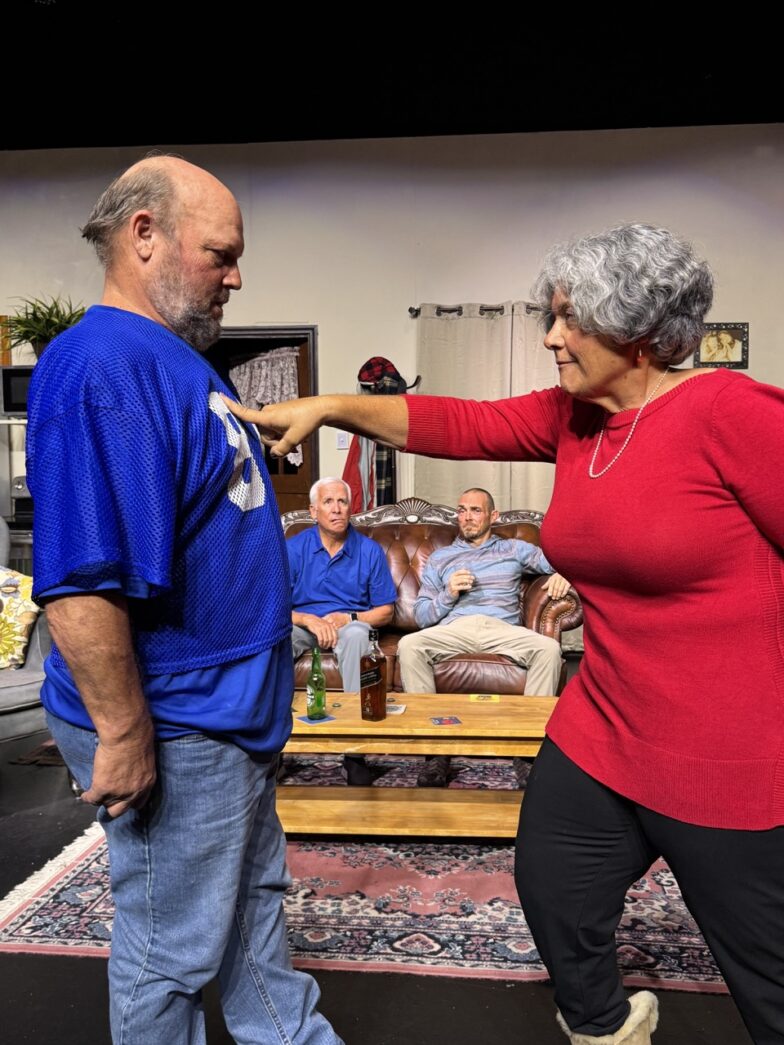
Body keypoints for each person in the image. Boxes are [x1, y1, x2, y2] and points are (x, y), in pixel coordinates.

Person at [225, 222, 784, 1045]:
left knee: (767, 973)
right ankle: (607, 1027)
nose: (552, 336)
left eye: (569, 318)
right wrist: (331, 406)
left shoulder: (730, 412)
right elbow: (455, 422)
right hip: (605, 724)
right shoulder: (577, 418)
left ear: (634, 330)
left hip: (724, 747)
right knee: (555, 886)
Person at [26, 157, 342, 1045]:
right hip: (177, 718)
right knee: (173, 949)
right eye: (221, 254)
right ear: (143, 235)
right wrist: (124, 734)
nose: (236, 275)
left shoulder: (176, 361)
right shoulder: (99, 366)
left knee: (249, 922)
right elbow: (80, 583)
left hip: (226, 716)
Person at [398, 485, 569, 787]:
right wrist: (449, 593)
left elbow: (561, 560)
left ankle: (527, 751)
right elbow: (422, 617)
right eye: (462, 510)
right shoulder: (441, 558)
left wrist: (563, 573)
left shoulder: (513, 549)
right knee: (410, 645)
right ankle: (435, 751)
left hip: (501, 628)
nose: (467, 517)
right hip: (455, 629)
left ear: (493, 515)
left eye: (475, 510)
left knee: (548, 650)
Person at [287, 476, 397, 785]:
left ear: (351, 508)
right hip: (304, 624)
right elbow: (272, 605)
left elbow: (386, 611)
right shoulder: (293, 549)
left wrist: (348, 618)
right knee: (276, 638)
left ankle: (353, 749)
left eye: (342, 502)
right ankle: (277, 746)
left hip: (349, 624)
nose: (337, 510)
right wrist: (308, 620)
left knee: (358, 635)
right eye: (328, 502)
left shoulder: (369, 551)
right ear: (313, 511)